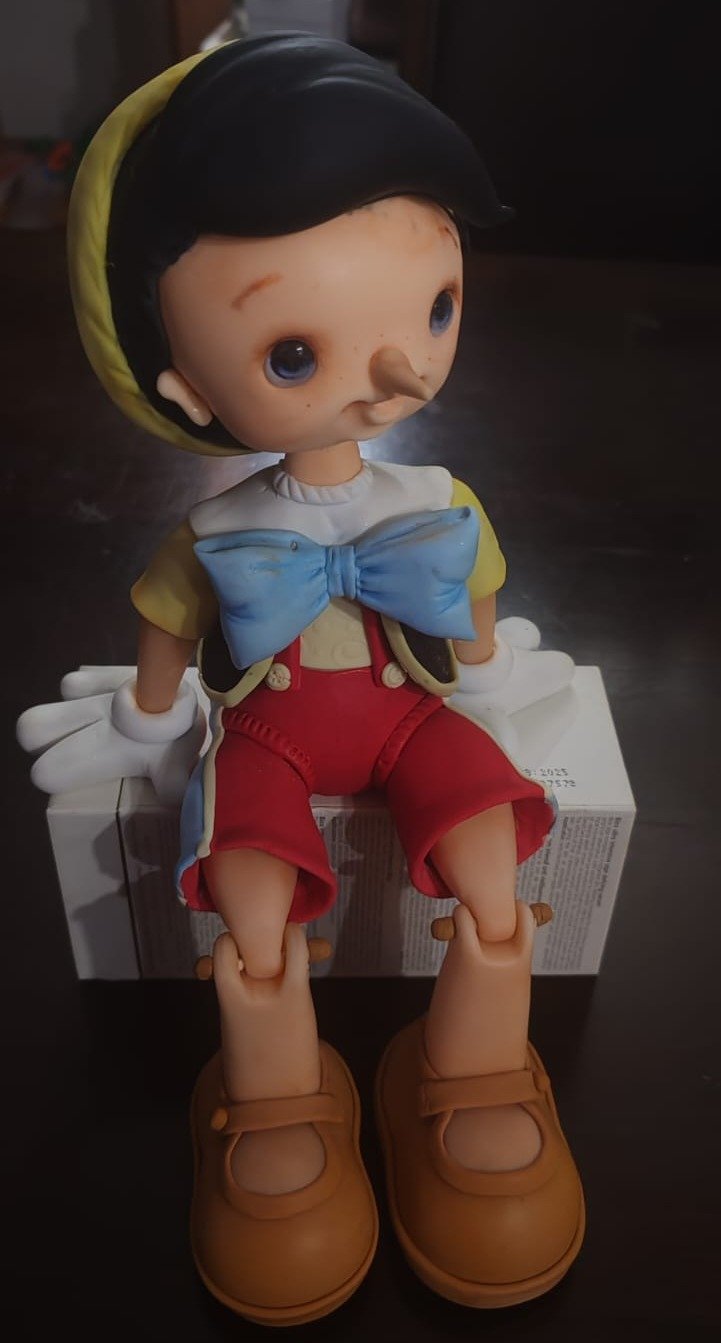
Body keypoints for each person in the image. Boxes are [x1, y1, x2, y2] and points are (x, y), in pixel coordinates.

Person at [17, 34, 584, 1324]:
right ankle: (274, 1082)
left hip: (407, 717)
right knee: (253, 903)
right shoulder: (218, 533)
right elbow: (167, 632)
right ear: (180, 383)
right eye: (292, 352)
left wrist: (487, 666)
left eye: (434, 307)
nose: (403, 372)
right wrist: (147, 718)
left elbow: (474, 594)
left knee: (493, 860)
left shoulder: (436, 498)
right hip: (267, 736)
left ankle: (474, 1054)